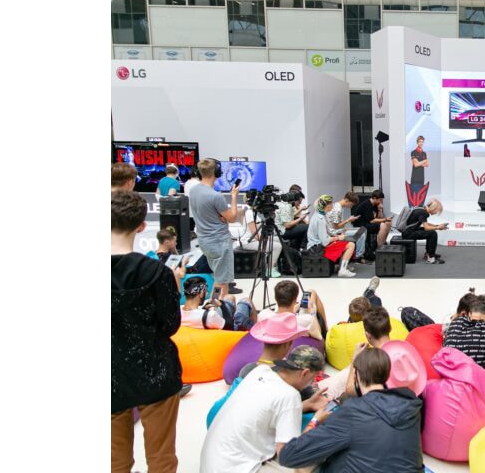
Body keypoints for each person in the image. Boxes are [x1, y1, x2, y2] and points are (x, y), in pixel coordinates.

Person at [111, 189, 182, 473]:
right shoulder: (157, 272)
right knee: (161, 458)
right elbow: (170, 325)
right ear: (142, 226)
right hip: (156, 371)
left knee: (114, 460)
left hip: (111, 375)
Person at [278, 348, 425, 473]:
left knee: (308, 463)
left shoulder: (352, 412)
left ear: (356, 375)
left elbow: (289, 456)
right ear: (386, 376)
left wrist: (315, 420)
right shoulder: (412, 407)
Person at [200, 344, 328, 473]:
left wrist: (307, 404)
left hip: (213, 463)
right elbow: (289, 456)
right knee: (313, 457)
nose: (310, 384)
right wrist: (316, 420)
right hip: (238, 467)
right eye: (312, 379)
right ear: (305, 373)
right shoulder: (290, 395)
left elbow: (266, 410)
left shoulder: (260, 371)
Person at [316, 306, 428, 401]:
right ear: (390, 328)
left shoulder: (370, 360)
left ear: (367, 335)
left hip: (382, 403)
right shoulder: (405, 350)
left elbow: (350, 390)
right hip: (411, 397)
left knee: (344, 394)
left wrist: (355, 361)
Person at [189, 158, 245, 299]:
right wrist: (233, 197)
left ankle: (214, 306)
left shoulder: (194, 191)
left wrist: (222, 216)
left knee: (218, 278)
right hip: (219, 242)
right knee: (222, 282)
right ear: (216, 172)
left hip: (204, 241)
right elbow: (232, 217)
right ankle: (216, 310)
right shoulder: (215, 196)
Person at [306, 194, 359, 278]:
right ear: (325, 206)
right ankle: (343, 270)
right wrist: (338, 237)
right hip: (317, 248)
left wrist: (338, 234)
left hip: (317, 245)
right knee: (351, 245)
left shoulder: (319, 215)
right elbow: (325, 241)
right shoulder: (320, 219)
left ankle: (342, 266)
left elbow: (329, 232)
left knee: (345, 241)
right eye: (330, 204)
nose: (332, 205)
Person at [255, 280, 327, 341]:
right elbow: (319, 336)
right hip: (297, 327)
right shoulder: (306, 320)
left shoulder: (263, 314)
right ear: (295, 300)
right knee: (312, 292)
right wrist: (312, 312)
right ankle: (327, 329)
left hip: (284, 319)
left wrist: (294, 310)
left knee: (311, 292)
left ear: (276, 298)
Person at [399, 198, 447, 264]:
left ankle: (428, 253)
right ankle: (430, 257)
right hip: (409, 234)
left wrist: (437, 225)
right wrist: (438, 228)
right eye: (437, 211)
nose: (436, 213)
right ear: (433, 208)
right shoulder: (424, 213)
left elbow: (425, 224)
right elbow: (426, 227)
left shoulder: (422, 209)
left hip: (408, 231)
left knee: (431, 233)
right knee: (433, 234)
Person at [350, 189, 393, 261]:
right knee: (383, 225)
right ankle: (380, 248)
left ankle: (382, 243)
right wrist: (385, 219)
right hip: (361, 225)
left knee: (388, 223)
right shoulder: (366, 204)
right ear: (375, 198)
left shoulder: (376, 205)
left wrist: (380, 209)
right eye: (380, 200)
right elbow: (372, 220)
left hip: (368, 223)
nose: (381, 202)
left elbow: (379, 218)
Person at [408, 135, 430, 207]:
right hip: (415, 178)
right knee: (414, 199)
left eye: (422, 142)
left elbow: (427, 164)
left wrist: (419, 162)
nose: (421, 143)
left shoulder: (424, 153)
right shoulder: (413, 152)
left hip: (421, 178)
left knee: (420, 198)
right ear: (417, 142)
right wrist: (423, 161)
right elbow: (415, 165)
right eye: (420, 142)